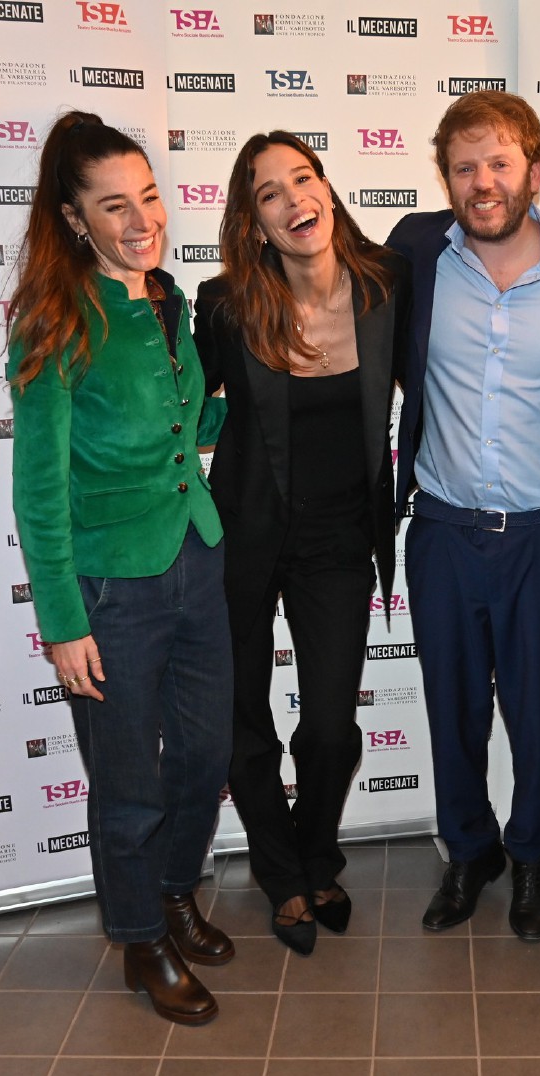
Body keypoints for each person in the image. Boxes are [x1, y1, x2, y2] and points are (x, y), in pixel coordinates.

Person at [7, 111, 234, 1024]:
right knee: (128, 783)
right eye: (115, 205)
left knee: (206, 753)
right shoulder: (55, 320)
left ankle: (178, 889)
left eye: (148, 197)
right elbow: (38, 489)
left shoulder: (167, 298)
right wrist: (62, 621)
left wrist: (260, 399)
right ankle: (141, 937)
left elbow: (187, 427)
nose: (142, 219)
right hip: (109, 591)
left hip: (196, 559)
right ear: (73, 218)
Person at [192, 131, 409, 956]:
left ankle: (318, 854)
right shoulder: (224, 304)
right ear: (253, 220)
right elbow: (181, 405)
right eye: (268, 193)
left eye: (302, 178)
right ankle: (285, 876)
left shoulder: (386, 287)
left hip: (338, 538)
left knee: (328, 729)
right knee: (246, 724)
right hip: (244, 534)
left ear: (327, 188)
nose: (292, 200)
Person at [386, 91, 540, 938]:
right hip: (442, 530)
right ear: (446, 177)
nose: (483, 182)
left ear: (534, 170)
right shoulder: (412, 251)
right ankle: (467, 853)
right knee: (455, 708)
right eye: (465, 166)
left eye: (499, 162)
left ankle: (531, 860)